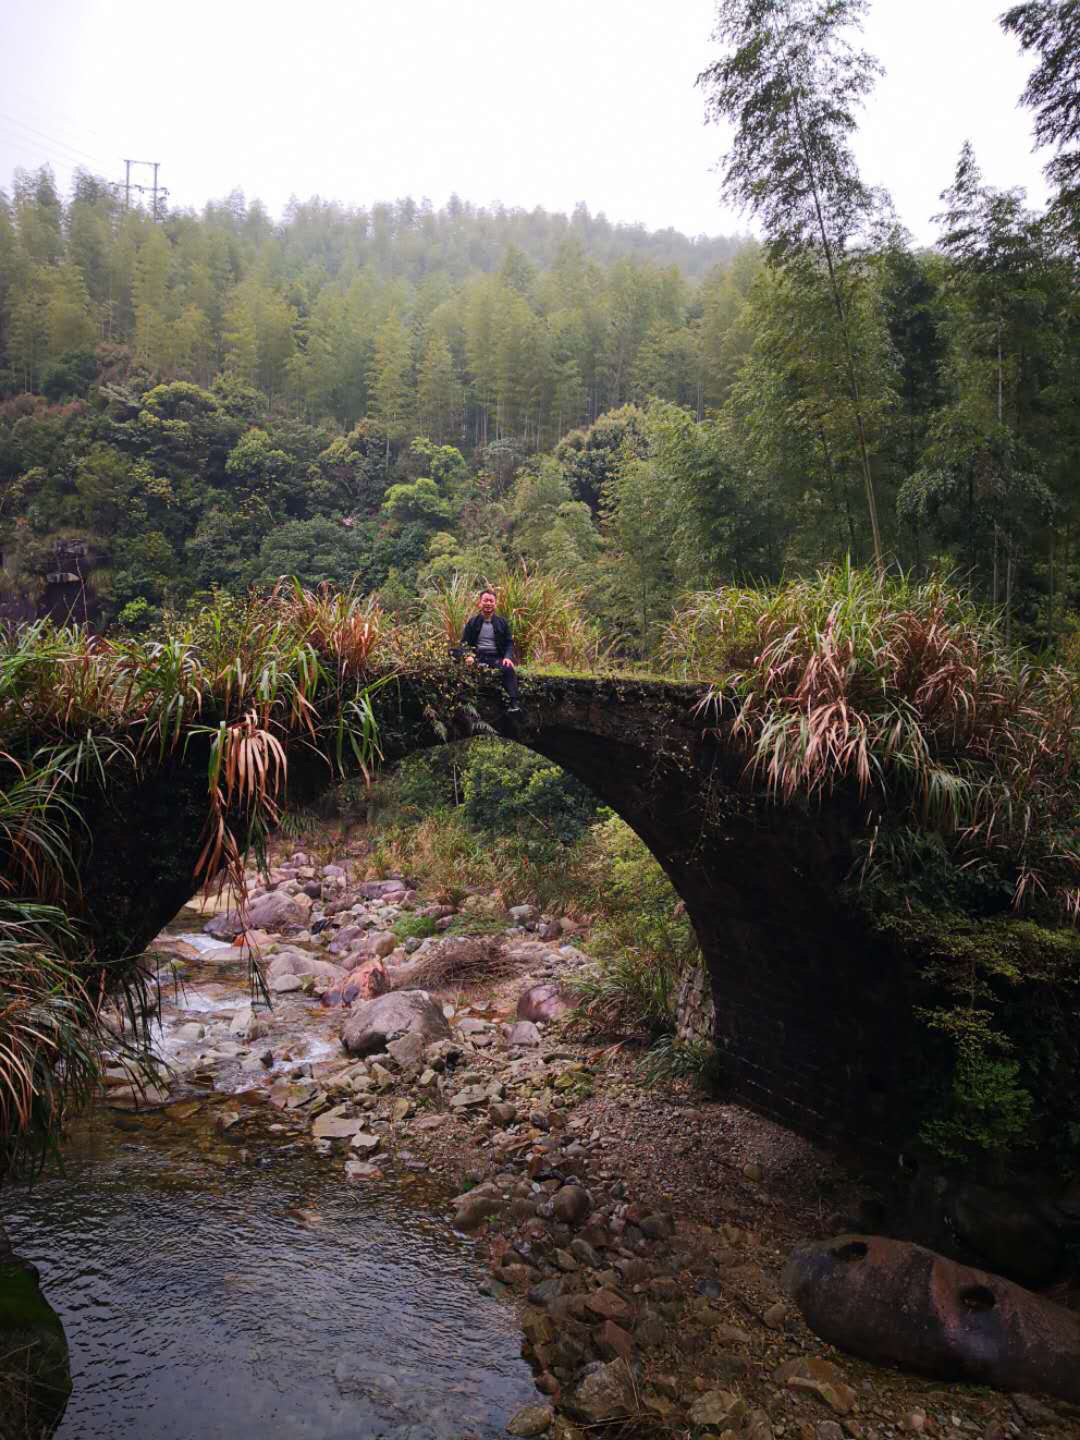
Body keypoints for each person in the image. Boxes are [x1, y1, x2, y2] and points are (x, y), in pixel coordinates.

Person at [461, 588, 521, 712]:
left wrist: (507, 658)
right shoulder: (472, 622)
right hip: (477, 657)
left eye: (491, 601)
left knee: (509, 668)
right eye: (485, 600)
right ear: (480, 603)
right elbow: (464, 643)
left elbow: (509, 642)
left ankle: (513, 703)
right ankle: (464, 702)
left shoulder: (502, 622)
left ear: (495, 604)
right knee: (452, 652)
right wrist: (468, 655)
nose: (488, 603)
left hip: (496, 658)